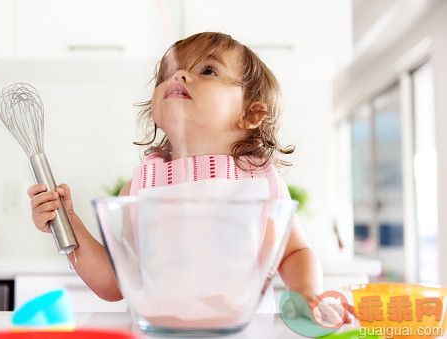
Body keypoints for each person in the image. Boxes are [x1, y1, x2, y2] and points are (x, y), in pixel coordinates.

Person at [27, 32, 353, 325]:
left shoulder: (260, 180)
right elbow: (114, 284)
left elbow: (295, 253)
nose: (180, 75)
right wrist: (67, 222)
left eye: (208, 70)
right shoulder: (142, 187)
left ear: (251, 114)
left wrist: (308, 294)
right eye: (170, 72)